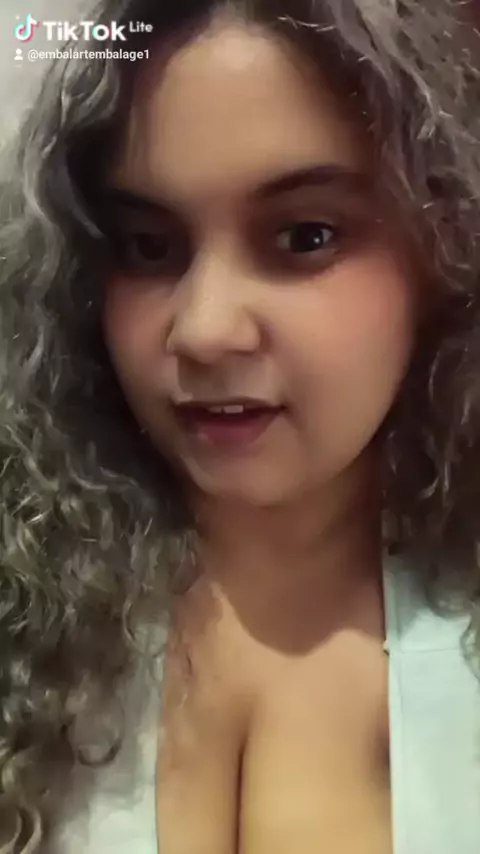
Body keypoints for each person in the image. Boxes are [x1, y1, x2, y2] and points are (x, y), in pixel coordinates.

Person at [1, 0, 480, 851]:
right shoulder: (25, 604)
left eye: (304, 235)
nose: (205, 329)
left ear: (443, 250)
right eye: (149, 246)